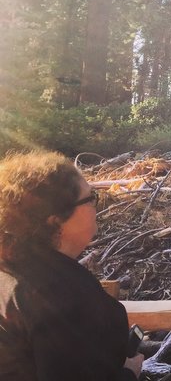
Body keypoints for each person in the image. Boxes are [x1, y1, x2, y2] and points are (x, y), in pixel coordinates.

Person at [0, 151, 144, 380]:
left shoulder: (12, 269)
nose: (97, 204)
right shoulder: (60, 298)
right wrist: (128, 373)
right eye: (90, 198)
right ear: (55, 220)